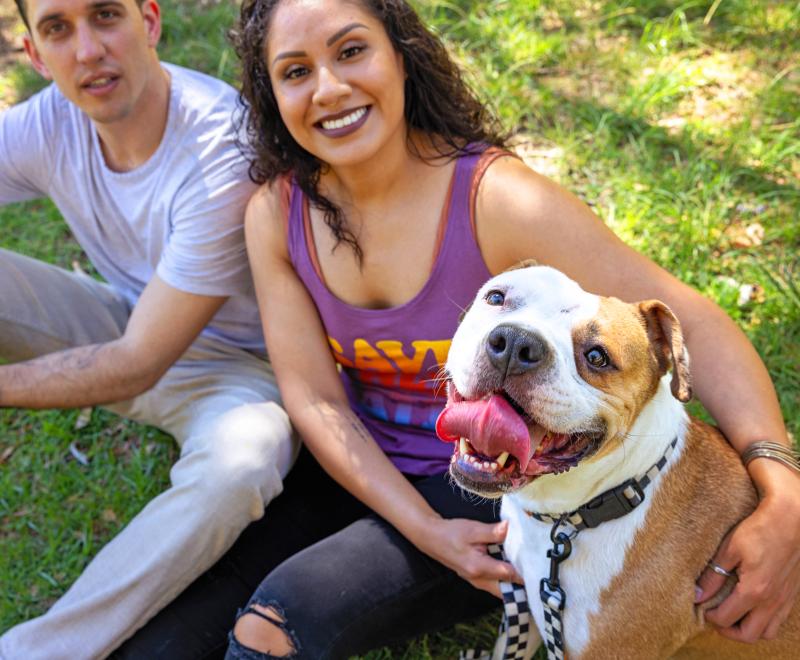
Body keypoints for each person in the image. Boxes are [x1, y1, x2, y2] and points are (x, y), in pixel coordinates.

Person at [118, 0, 800, 657]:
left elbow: (694, 323)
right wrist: (423, 531)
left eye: (352, 51)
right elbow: (318, 400)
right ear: (270, 95)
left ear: (403, 59)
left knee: (273, 623)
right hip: (359, 465)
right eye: (295, 71)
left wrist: (779, 477)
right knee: (183, 622)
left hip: (494, 477)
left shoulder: (495, 196)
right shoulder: (278, 212)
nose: (328, 88)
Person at [0, 1, 297, 658]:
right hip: (127, 320)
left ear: (150, 22)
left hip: (243, 373)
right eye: (58, 30)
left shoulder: (220, 143)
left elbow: (140, 364)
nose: (87, 51)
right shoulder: (47, 122)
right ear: (36, 56)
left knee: (238, 468)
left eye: (106, 16)